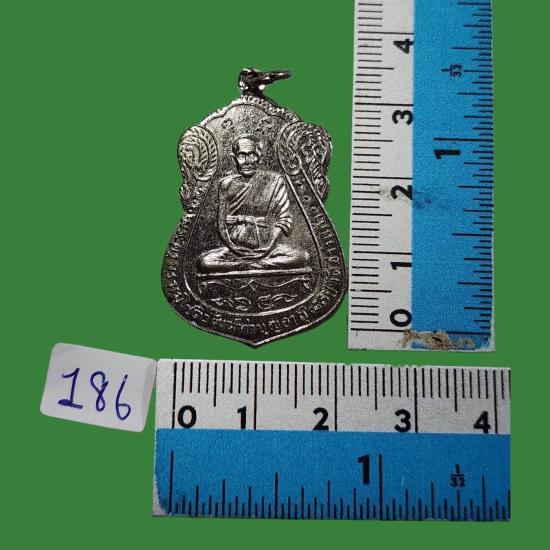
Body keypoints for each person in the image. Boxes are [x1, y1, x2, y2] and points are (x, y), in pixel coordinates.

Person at [198, 135, 308, 273]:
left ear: (260, 158)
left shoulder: (274, 180)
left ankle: (246, 266)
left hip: (266, 247)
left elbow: (284, 219)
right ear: (234, 159)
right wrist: (234, 248)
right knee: (204, 262)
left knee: (301, 257)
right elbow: (221, 226)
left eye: (252, 155)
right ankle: (252, 265)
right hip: (234, 249)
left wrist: (268, 247)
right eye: (242, 156)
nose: (247, 161)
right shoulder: (226, 184)